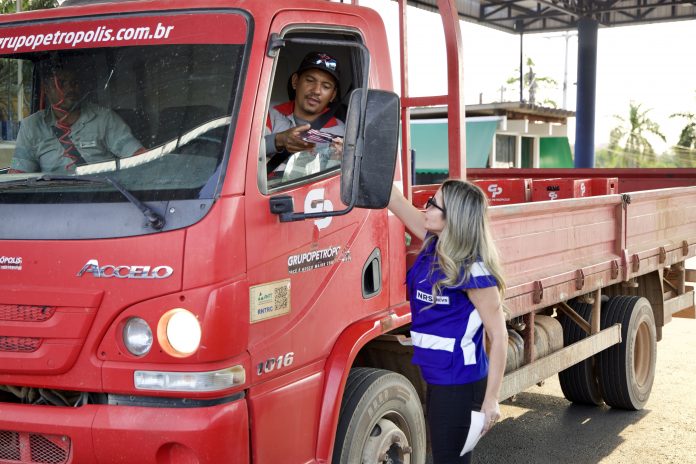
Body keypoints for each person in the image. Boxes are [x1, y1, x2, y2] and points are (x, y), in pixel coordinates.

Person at [388, 180, 507, 464]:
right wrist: (351, 149)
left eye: (433, 203)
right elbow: (394, 199)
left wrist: (492, 400)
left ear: (452, 217)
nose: (425, 206)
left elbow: (499, 336)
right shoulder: (433, 242)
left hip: (459, 385)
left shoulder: (473, 271)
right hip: (439, 377)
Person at [9, 59, 144, 174]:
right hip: (52, 200)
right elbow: (18, 176)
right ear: (46, 88)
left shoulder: (105, 119)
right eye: (61, 84)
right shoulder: (32, 126)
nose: (70, 89)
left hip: (101, 198)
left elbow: (140, 159)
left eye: (74, 83)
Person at [264, 51, 344, 179]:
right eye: (310, 80)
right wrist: (278, 140)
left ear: (333, 95)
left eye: (326, 86)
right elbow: (243, 154)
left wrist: (339, 159)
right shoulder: (268, 115)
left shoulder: (341, 132)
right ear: (295, 81)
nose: (316, 91)